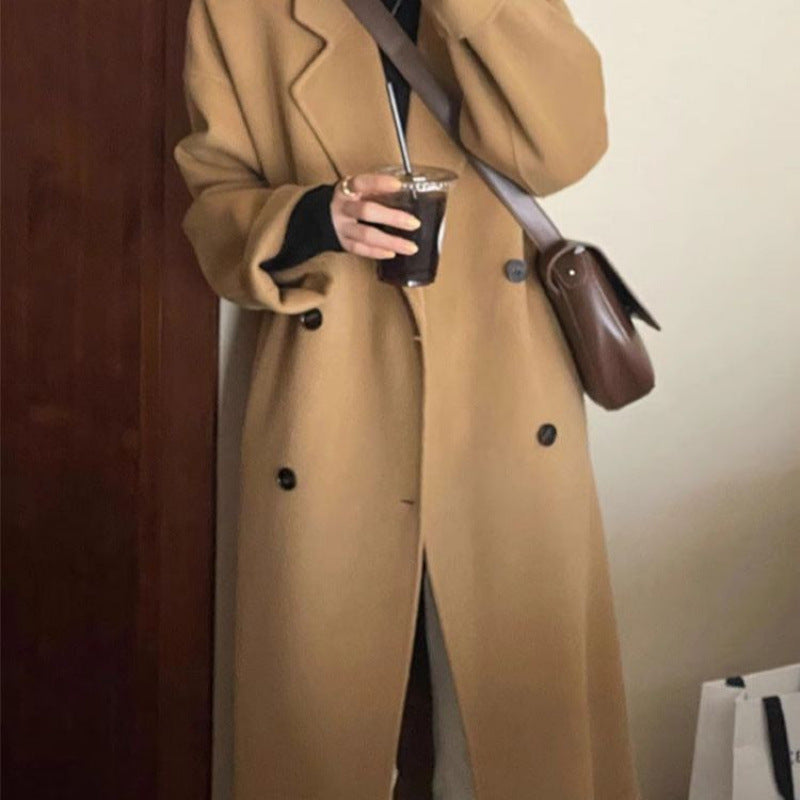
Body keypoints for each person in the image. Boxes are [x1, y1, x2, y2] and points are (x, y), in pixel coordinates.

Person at [173, 0, 643, 797]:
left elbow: (567, 149)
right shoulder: (239, 10)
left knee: (521, 729)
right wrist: (315, 218)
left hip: (501, 390)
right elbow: (213, 202)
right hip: (333, 396)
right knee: (318, 723)